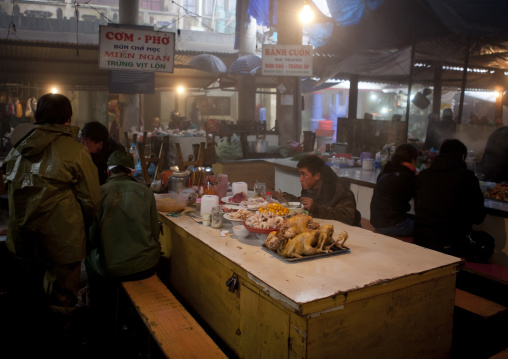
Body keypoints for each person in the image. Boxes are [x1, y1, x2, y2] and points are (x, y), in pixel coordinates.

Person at [3, 93, 100, 356]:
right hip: (62, 242)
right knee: (61, 302)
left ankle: (31, 345)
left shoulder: (16, 150)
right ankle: (60, 348)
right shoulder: (76, 151)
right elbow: (91, 201)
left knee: (30, 299)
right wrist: (85, 230)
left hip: (22, 241)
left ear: (37, 116)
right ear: (68, 118)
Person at [85, 150, 161, 349]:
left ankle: (101, 315)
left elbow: (92, 238)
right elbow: (154, 233)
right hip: (147, 265)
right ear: (131, 172)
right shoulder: (146, 193)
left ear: (108, 172)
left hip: (113, 269)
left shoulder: (99, 193)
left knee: (89, 260)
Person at [414, 139, 486, 257]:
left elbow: (418, 205)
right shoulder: (467, 177)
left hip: (420, 239)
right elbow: (478, 217)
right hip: (448, 244)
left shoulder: (424, 175)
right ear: (463, 157)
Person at [274, 154, 361, 226]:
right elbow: (307, 204)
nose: (301, 179)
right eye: (300, 174)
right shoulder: (310, 186)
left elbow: (347, 218)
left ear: (317, 176)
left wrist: (316, 209)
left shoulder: (340, 189)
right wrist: (288, 199)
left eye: (304, 174)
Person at [370, 144, 418, 237]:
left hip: (377, 221)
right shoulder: (406, 176)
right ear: (412, 160)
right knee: (427, 227)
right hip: (393, 225)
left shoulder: (387, 171)